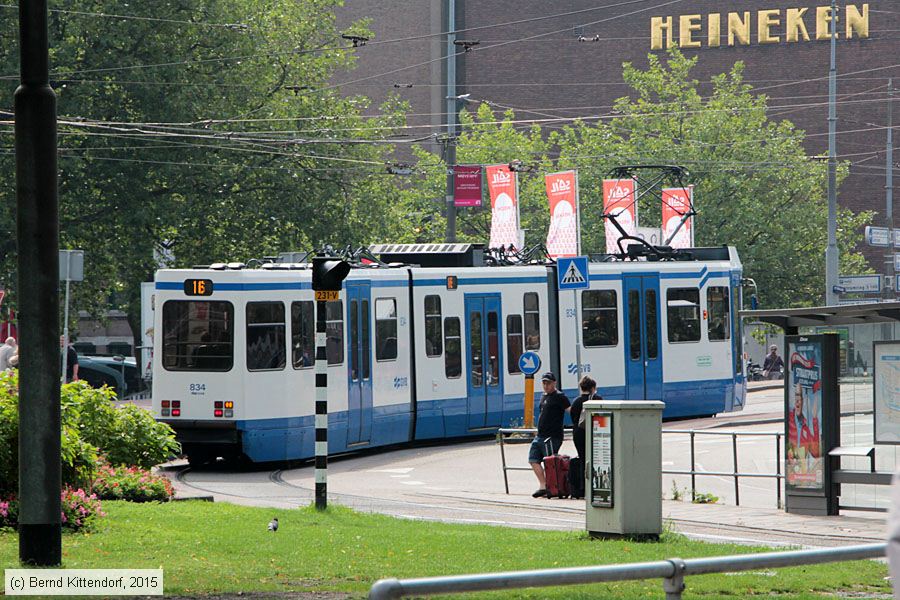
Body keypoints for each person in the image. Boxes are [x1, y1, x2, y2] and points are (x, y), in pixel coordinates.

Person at [528, 372, 570, 498]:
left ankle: (553, 487)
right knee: (533, 459)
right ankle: (543, 485)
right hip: (540, 435)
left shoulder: (560, 397)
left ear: (554, 383)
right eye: (544, 383)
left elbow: (570, 410)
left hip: (552, 436)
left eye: (548, 383)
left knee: (550, 463)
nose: (546, 385)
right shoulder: (543, 396)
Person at [570, 375, 600, 462]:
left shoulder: (576, 401)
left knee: (582, 461)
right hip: (594, 434)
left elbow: (573, 418)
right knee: (595, 460)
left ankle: (582, 475)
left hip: (578, 434)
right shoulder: (597, 400)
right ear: (593, 388)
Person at [788, 383, 820, 460]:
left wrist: (814, 418)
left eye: (799, 398)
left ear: (803, 402)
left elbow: (815, 453)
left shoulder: (806, 428)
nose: (797, 401)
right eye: (796, 397)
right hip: (793, 466)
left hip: (801, 468)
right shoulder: (790, 418)